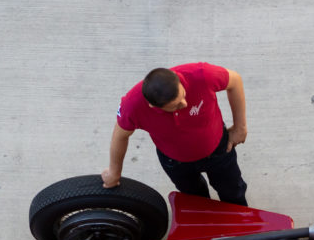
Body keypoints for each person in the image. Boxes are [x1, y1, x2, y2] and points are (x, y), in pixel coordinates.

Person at [101, 62, 249, 205]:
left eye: (183, 95)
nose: (184, 104)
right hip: (176, 163)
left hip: (219, 151)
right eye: (176, 105)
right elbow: (120, 136)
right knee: (196, 200)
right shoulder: (132, 106)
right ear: (153, 106)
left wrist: (240, 127)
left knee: (233, 192)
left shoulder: (202, 74)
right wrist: (114, 172)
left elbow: (235, 80)